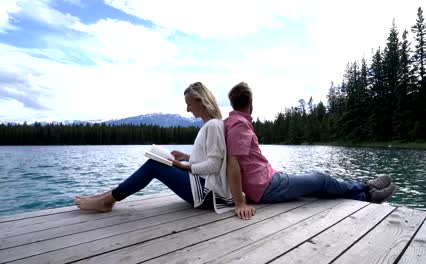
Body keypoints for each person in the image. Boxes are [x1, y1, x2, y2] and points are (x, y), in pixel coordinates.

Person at [224, 82, 397, 220]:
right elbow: (233, 164)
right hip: (264, 187)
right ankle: (366, 188)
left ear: (233, 103)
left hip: (268, 180)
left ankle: (365, 196)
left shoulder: (235, 122)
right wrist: (239, 202)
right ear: (251, 103)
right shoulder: (238, 124)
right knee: (319, 178)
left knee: (315, 188)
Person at [75, 82, 233, 213]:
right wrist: (185, 158)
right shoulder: (211, 125)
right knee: (157, 163)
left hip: (207, 194)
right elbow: (209, 159)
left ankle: (106, 201)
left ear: (200, 100)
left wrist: (185, 167)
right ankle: (106, 197)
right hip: (202, 187)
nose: (187, 109)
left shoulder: (213, 125)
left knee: (154, 165)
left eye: (189, 103)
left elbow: (214, 165)